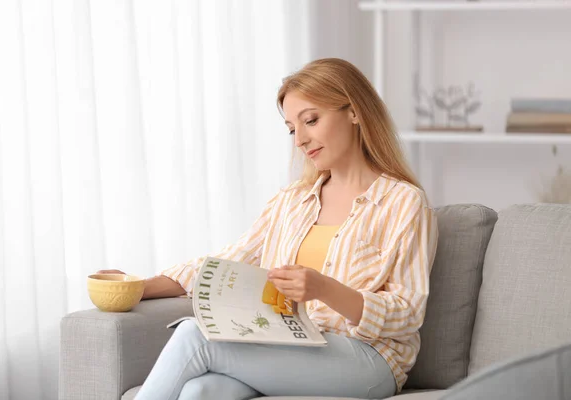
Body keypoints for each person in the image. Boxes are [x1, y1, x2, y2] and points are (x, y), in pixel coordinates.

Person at [98, 58, 439, 400]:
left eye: (311, 120)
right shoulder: (291, 202)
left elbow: (407, 312)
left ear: (354, 112)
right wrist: (137, 287)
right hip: (294, 344)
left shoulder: (403, 202)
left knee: (193, 336)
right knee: (200, 391)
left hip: (369, 360)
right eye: (293, 129)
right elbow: (226, 263)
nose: (301, 140)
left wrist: (324, 288)